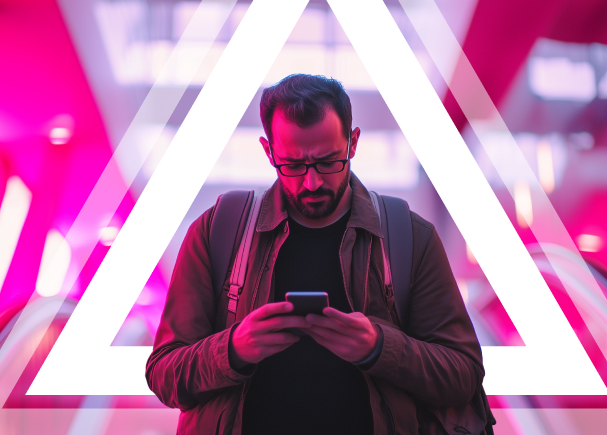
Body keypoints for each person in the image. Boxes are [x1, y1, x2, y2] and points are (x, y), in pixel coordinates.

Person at [146, 74, 494, 434]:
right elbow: (164, 373)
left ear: (353, 143)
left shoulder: (409, 236)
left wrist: (379, 348)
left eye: (328, 161)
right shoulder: (218, 230)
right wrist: (234, 349)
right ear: (268, 152)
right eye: (293, 165)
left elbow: (463, 374)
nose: (311, 182)